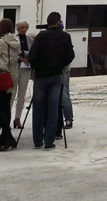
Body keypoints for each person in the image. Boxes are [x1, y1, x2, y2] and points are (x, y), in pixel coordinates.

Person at [28, 11, 75, 150]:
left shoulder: (40, 37)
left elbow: (32, 57)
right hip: (56, 76)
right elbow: (70, 55)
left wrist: (37, 67)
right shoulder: (65, 36)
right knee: (53, 108)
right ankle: (49, 141)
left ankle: (37, 141)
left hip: (40, 76)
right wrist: (60, 64)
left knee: (38, 108)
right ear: (58, 22)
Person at [0, 18, 21, 151]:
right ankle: (4, 138)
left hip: (2, 75)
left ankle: (7, 137)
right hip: (12, 75)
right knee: (6, 106)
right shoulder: (16, 40)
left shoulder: (2, 42)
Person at [13, 20, 32, 130]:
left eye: (25, 27)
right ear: (18, 28)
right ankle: (8, 118)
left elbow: (33, 52)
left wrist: (26, 56)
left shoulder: (30, 40)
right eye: (22, 27)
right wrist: (20, 58)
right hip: (15, 68)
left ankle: (18, 118)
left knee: (22, 95)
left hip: (26, 69)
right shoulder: (14, 39)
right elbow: (12, 53)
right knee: (12, 94)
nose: (24, 29)